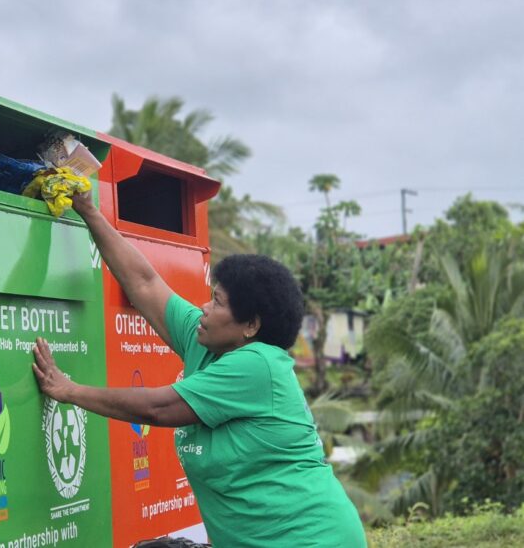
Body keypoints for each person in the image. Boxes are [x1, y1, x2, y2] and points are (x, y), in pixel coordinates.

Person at [32, 191, 367, 547]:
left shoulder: (259, 366)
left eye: (218, 302)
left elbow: (156, 408)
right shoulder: (207, 340)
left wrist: (69, 390)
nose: (204, 308)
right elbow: (144, 284)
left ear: (250, 326)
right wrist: (88, 210)